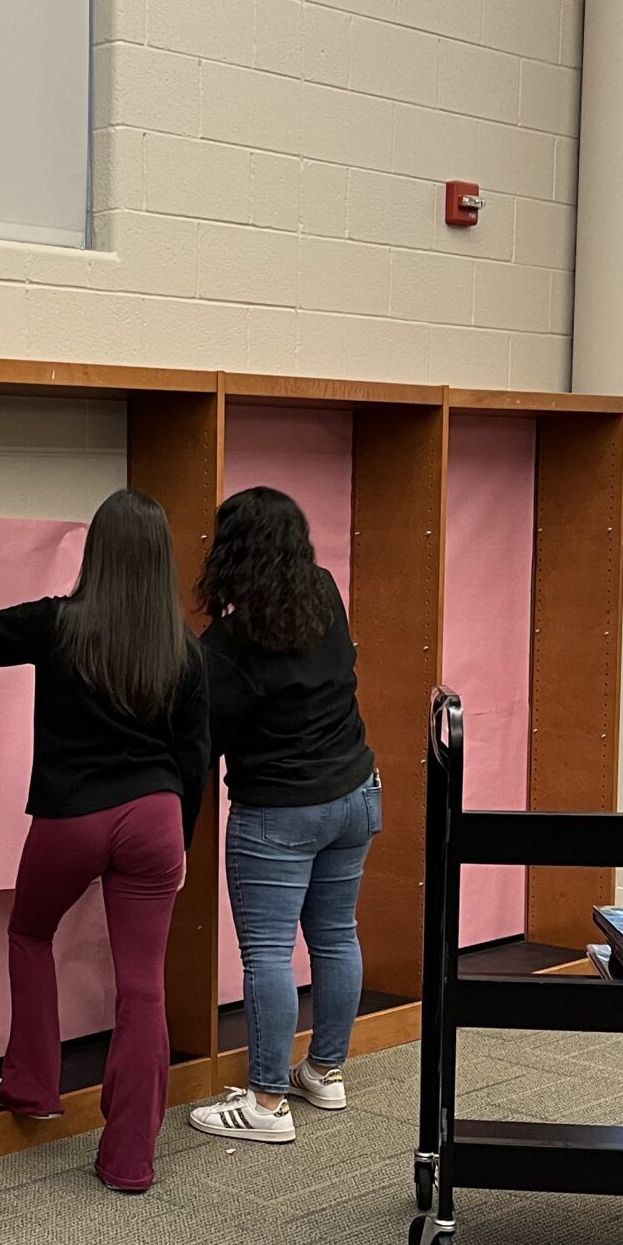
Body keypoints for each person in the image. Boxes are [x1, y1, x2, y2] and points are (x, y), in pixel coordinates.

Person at [0, 488, 210, 1193]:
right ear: (159, 562)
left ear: (97, 552)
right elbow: (194, 759)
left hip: (74, 817)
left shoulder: (58, 624)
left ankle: (31, 1087)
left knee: (31, 934)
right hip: (155, 819)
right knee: (143, 989)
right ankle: (129, 1161)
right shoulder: (182, 648)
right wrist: (177, 848)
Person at [187, 485, 379, 1147]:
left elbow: (204, 741)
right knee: (335, 934)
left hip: (281, 812)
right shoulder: (324, 591)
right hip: (355, 793)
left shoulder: (226, 647)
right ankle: (323, 1072)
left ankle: (267, 1100)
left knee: (268, 953)